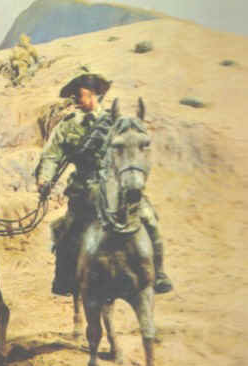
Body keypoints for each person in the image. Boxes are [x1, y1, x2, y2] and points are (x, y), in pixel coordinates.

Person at [35, 73, 173, 295]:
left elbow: (131, 151)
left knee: (149, 219)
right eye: (75, 96)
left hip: (116, 186)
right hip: (83, 188)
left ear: (93, 95)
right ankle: (64, 279)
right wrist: (45, 178)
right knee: (67, 231)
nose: (76, 100)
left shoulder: (115, 122)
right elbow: (52, 155)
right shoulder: (67, 126)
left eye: (80, 95)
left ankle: (158, 274)